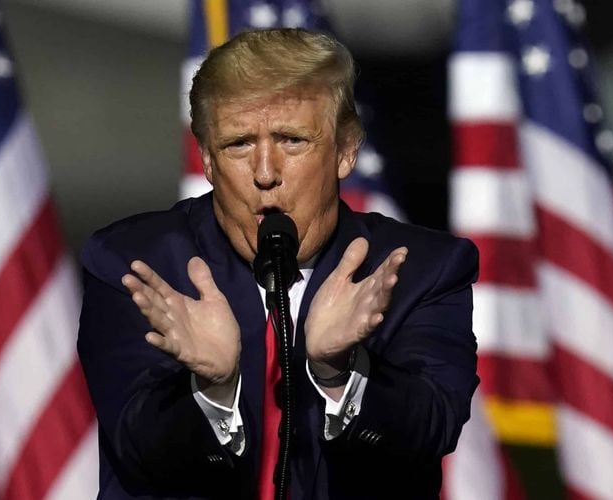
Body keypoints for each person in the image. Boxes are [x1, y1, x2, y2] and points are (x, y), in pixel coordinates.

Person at [77, 28, 479, 499]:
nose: (265, 173)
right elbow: (138, 452)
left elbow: (430, 432)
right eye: (239, 145)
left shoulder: (419, 269)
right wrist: (212, 387)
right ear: (206, 158)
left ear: (346, 149)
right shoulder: (137, 265)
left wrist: (341, 369)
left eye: (291, 140)